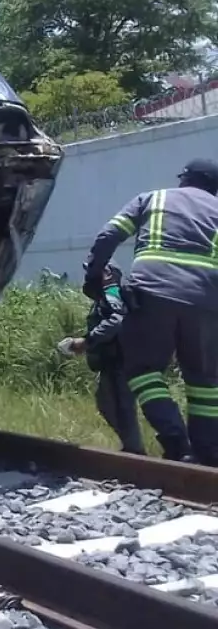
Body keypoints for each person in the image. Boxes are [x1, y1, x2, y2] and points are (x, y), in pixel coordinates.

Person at [83, 159, 218, 465]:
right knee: (205, 383)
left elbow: (108, 236)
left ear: (184, 180)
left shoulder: (152, 198)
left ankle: (177, 443)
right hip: (207, 302)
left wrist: (93, 277)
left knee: (143, 371)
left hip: (152, 295)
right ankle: (209, 454)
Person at [56, 264, 144, 455]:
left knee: (123, 408)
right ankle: (132, 448)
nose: (89, 275)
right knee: (107, 404)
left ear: (107, 274)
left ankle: (135, 452)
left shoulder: (112, 292)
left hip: (122, 361)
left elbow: (117, 320)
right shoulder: (104, 296)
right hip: (111, 362)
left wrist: (87, 342)